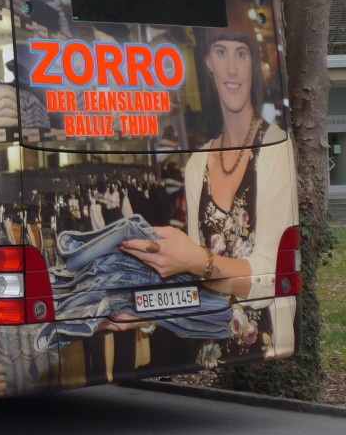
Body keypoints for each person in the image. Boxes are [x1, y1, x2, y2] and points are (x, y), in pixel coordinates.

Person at [121, 24, 296, 324]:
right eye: (221, 52)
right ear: (208, 62)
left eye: (241, 54)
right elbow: (194, 286)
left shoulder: (276, 148)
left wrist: (199, 262)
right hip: (208, 341)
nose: (232, 68)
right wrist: (141, 313)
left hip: (267, 339)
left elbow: (273, 277)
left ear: (253, 63)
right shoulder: (197, 164)